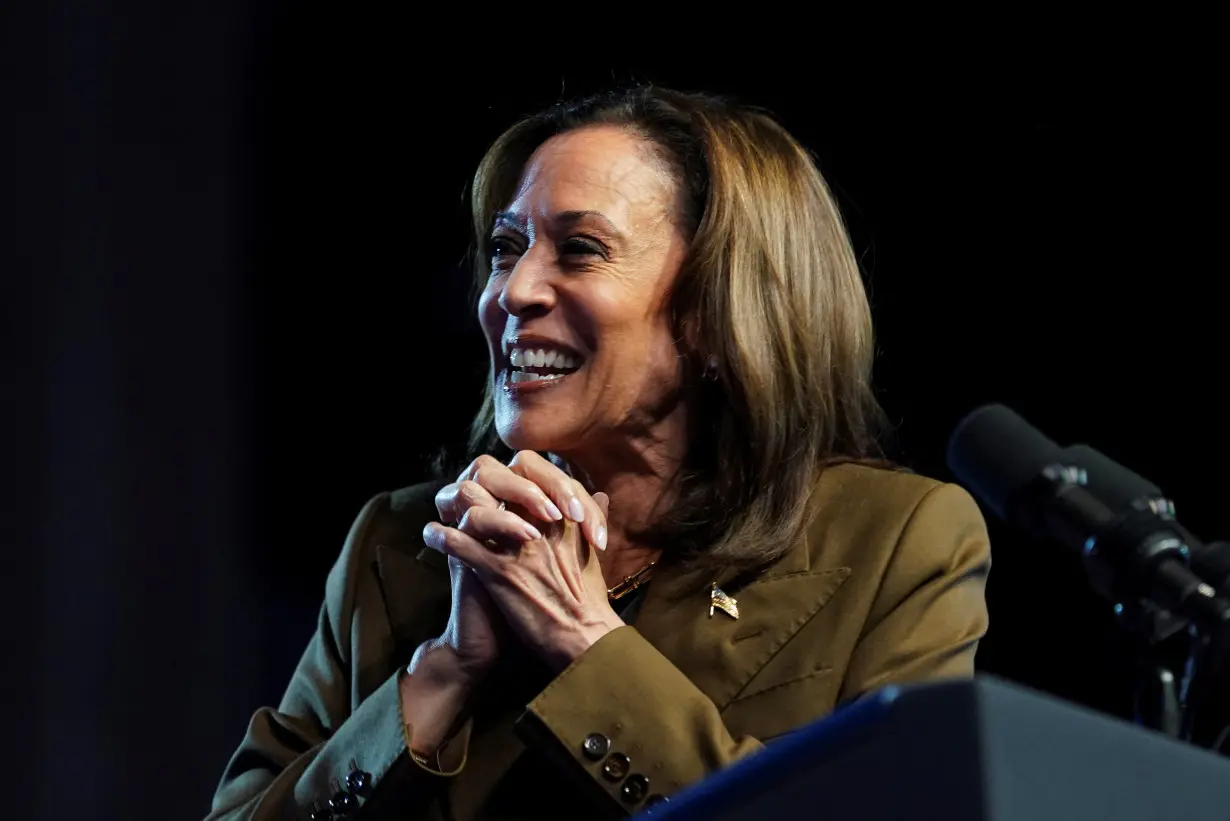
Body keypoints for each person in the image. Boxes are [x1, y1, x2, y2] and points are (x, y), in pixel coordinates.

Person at [206, 86, 991, 821]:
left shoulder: (896, 539)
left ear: (721, 313)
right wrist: (442, 671)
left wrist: (583, 640)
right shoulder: (400, 544)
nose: (511, 291)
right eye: (509, 247)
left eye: (580, 249)